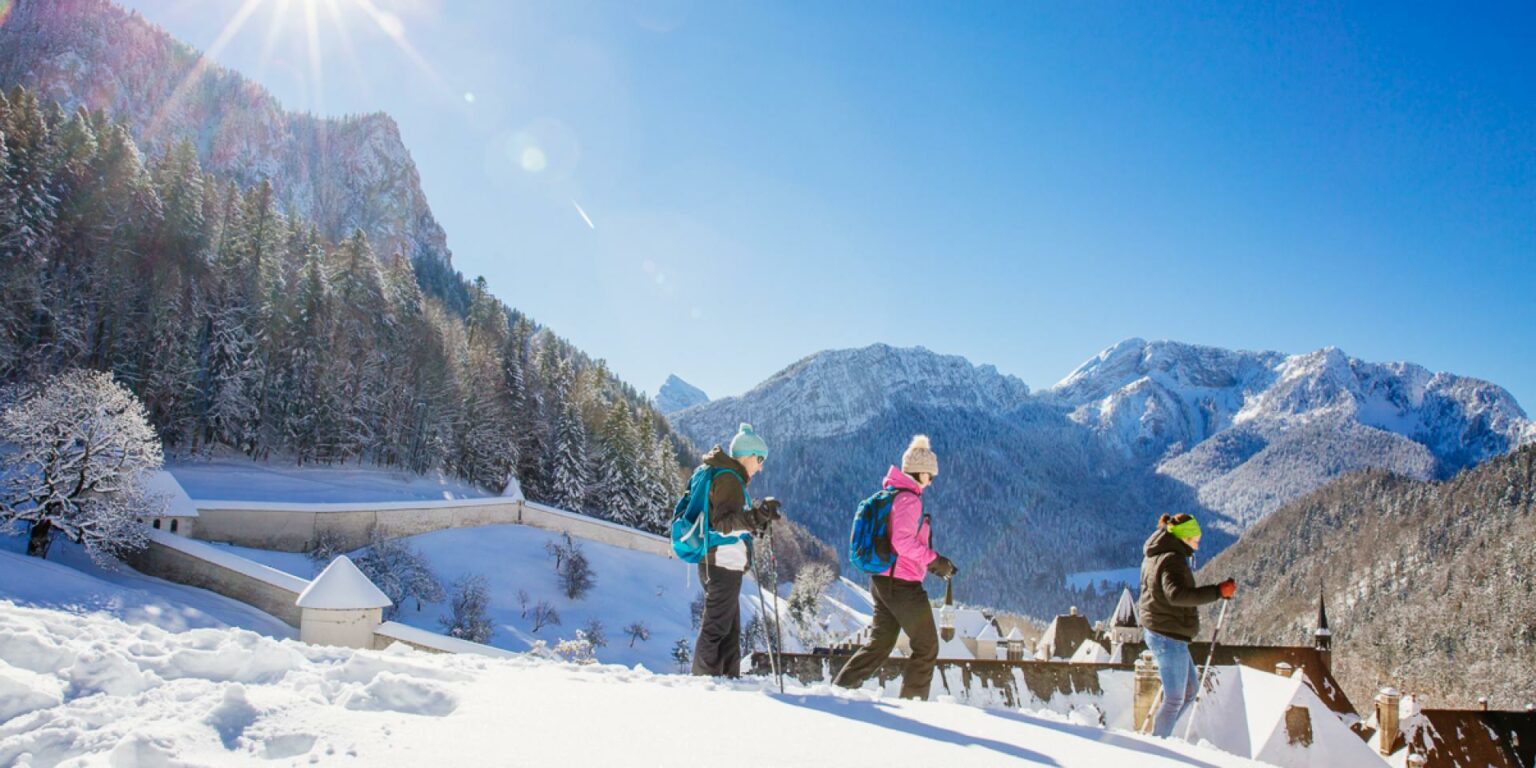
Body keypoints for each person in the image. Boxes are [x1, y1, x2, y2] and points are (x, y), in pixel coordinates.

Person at [833, 435, 957, 699]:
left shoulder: (892, 494)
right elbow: (902, 542)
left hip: (882, 581)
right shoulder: (909, 499)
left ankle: (838, 692)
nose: (931, 481)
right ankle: (914, 704)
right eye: (931, 476)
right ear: (921, 472)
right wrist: (935, 560)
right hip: (901, 584)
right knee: (926, 646)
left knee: (879, 644)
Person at [691, 423, 781, 677]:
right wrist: (754, 517)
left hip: (723, 561)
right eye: (760, 459)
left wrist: (756, 520)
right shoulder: (728, 478)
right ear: (748, 455)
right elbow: (722, 524)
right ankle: (702, 683)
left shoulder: (730, 478)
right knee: (717, 627)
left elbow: (732, 520)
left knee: (729, 629)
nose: (761, 466)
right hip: (721, 561)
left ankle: (729, 680)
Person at [1137, 512, 1236, 738]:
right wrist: (1217, 591)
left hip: (1166, 632)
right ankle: (1157, 747)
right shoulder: (1172, 559)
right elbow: (1177, 595)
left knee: (1189, 692)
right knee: (1175, 699)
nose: (1198, 543)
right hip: (1167, 635)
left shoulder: (1159, 553)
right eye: (1195, 538)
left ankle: (1160, 738)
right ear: (1184, 536)